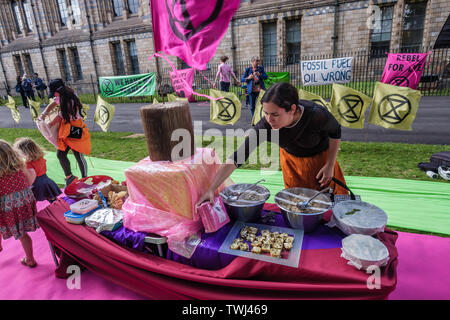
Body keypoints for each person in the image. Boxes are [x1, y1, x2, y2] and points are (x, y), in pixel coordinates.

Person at [197, 82, 348, 205]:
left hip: (320, 160)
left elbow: (336, 132)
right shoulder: (265, 126)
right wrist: (211, 188)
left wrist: (329, 165)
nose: (269, 120)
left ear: (292, 109)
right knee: (297, 202)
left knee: (328, 202)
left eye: (275, 114)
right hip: (292, 163)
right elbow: (238, 156)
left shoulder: (316, 114)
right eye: (266, 113)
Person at [38, 79, 91, 187]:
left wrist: (48, 125)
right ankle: (69, 177)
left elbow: (60, 116)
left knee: (78, 154)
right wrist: (44, 114)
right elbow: (53, 103)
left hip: (75, 128)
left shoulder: (71, 99)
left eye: (54, 93)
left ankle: (84, 178)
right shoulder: (61, 96)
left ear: (60, 90)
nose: (54, 95)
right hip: (65, 128)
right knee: (60, 154)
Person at [0, 139, 39, 267]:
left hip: (6, 208)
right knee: (23, 234)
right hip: (22, 204)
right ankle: (30, 259)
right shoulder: (20, 167)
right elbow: (28, 182)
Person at [14, 137, 62, 203]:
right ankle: (58, 206)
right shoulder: (40, 158)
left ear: (25, 152)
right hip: (46, 180)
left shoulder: (28, 164)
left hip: (37, 184)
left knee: (33, 199)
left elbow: (32, 176)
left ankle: (32, 211)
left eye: (19, 153)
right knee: (51, 197)